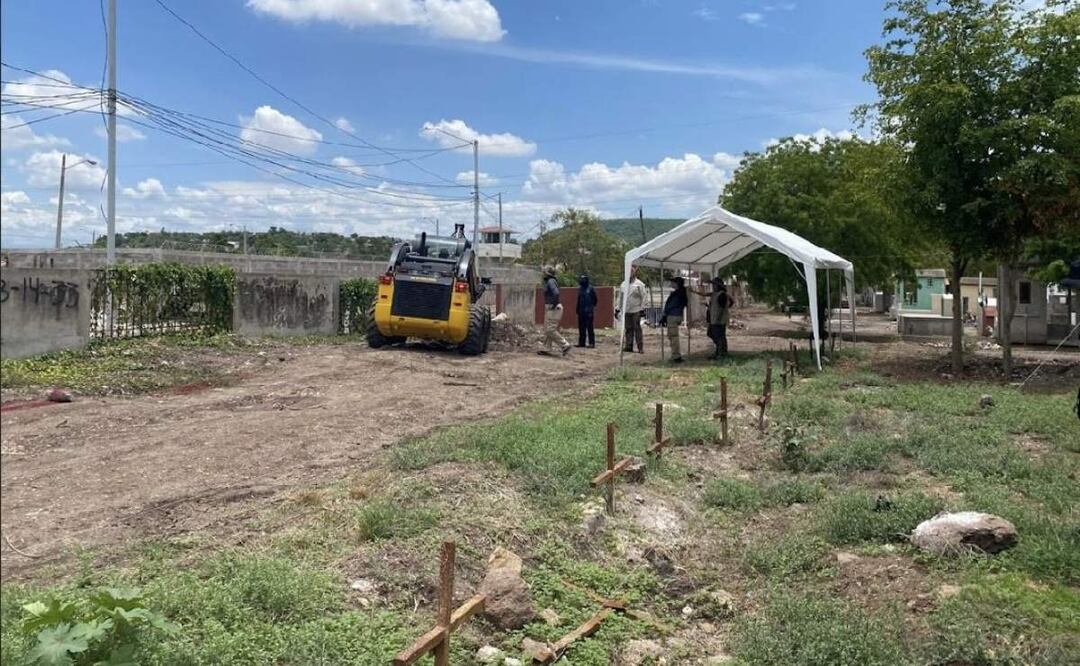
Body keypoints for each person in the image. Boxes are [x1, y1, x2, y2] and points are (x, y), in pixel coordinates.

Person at [540, 266, 571, 356]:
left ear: (548, 273)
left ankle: (565, 345)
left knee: (550, 329)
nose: (543, 274)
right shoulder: (550, 281)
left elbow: (556, 293)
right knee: (547, 328)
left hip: (554, 308)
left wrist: (553, 305)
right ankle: (547, 348)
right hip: (552, 307)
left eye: (544, 272)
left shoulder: (551, 281)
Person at [617, 266, 647, 353]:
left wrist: (642, 308)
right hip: (627, 310)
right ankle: (628, 346)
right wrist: (618, 308)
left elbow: (644, 297)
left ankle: (640, 347)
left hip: (636, 310)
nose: (630, 273)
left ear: (634, 273)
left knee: (637, 328)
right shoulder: (623, 284)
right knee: (628, 328)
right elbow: (620, 297)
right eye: (628, 272)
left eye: (631, 272)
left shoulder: (640, 284)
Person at [704, 277, 735, 359]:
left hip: (718, 320)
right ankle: (720, 351)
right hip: (714, 319)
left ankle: (721, 353)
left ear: (718, 286)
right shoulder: (715, 294)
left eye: (714, 285)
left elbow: (721, 308)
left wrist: (719, 317)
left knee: (719, 336)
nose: (713, 286)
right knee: (714, 334)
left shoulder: (721, 294)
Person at [661, 276, 688, 363]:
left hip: (673, 315)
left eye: (673, 282)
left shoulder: (678, 294)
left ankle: (676, 355)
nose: (671, 284)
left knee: (673, 336)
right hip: (675, 315)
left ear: (677, 284)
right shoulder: (680, 292)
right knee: (673, 336)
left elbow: (671, 305)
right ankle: (675, 355)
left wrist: (665, 314)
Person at [575, 274, 598, 348]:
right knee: (581, 327)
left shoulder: (591, 288)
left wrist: (591, 307)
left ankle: (591, 343)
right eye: (581, 279)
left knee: (590, 327)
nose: (581, 281)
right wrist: (577, 309)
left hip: (588, 311)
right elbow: (578, 300)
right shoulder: (580, 289)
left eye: (583, 279)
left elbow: (595, 300)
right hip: (581, 310)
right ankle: (582, 342)